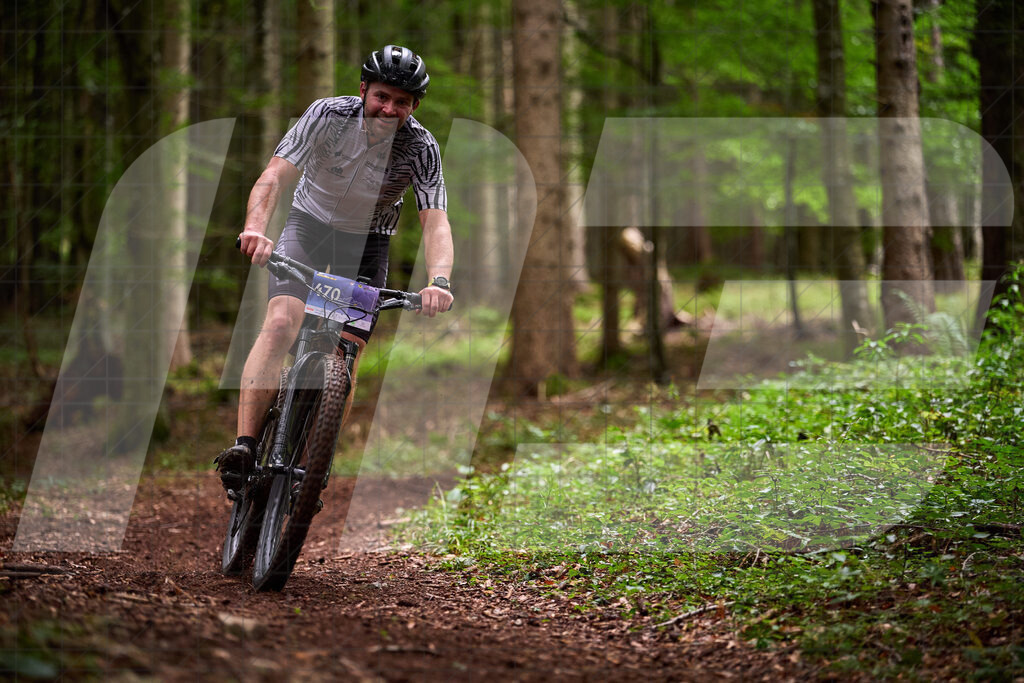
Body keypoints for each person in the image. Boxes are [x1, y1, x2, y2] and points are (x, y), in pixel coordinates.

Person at [215, 45, 454, 498]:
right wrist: (255, 229)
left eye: (402, 102)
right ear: (363, 89)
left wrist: (439, 280)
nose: (390, 109)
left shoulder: (421, 147)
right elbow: (274, 176)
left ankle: (312, 465)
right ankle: (244, 447)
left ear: (414, 106)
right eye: (383, 96)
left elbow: (435, 218)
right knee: (283, 321)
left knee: (346, 355)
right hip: (308, 227)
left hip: (368, 245)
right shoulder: (327, 115)